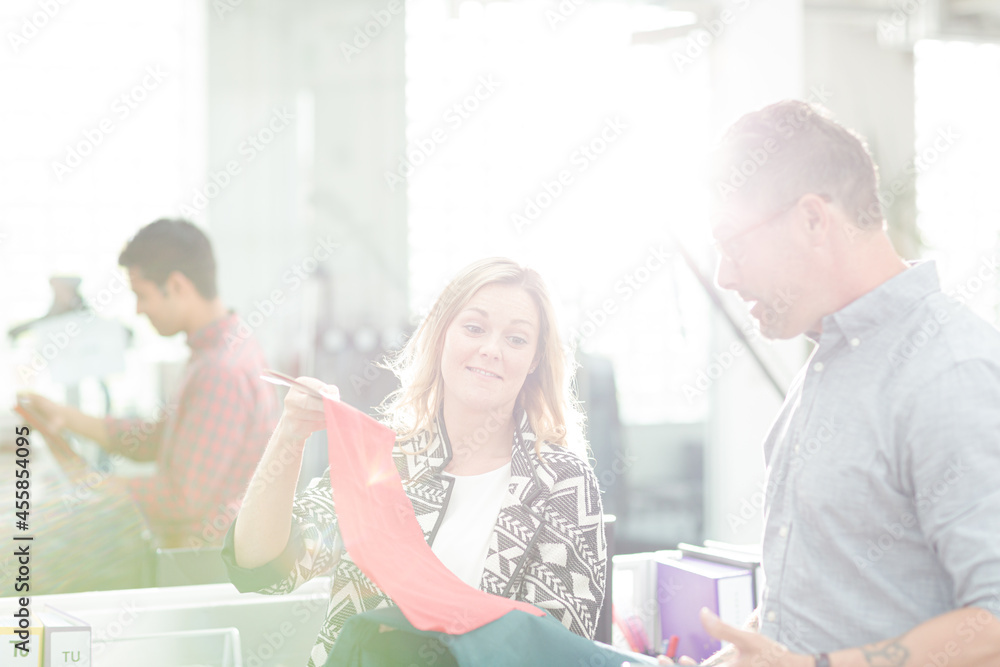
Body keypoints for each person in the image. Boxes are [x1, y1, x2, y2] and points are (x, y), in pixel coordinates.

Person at [664, 100, 1000, 666]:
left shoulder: (950, 370)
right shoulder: (831, 364)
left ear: (814, 219)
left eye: (732, 243)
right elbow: (829, 591)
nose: (725, 273)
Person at [222, 257, 607, 667]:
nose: (491, 350)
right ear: (442, 335)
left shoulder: (563, 483)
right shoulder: (384, 464)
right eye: (474, 328)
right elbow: (262, 564)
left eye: (516, 339)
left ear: (533, 361)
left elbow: (553, 651)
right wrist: (289, 437)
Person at [23, 219, 279, 548]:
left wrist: (91, 486)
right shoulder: (217, 350)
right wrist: (65, 416)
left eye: (141, 295)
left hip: (201, 566)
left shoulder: (220, 371)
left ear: (176, 285)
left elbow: (181, 499)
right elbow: (156, 440)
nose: (139, 310)